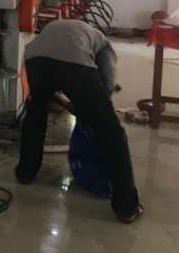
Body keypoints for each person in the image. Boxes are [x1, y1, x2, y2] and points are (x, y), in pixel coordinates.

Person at [15, 19, 143, 223]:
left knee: (36, 113)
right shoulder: (105, 46)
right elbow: (106, 85)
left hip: (34, 58)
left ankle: (25, 172)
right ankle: (127, 207)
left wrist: (77, 102)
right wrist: (95, 111)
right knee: (112, 130)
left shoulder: (65, 29)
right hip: (72, 60)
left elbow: (54, 80)